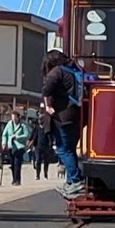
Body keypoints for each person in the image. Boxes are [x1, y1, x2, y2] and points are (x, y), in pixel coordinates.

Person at [41, 50, 85, 199]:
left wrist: (48, 106)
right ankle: (70, 183)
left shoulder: (57, 72)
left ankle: (75, 180)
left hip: (63, 116)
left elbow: (46, 90)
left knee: (63, 149)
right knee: (71, 148)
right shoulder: (75, 69)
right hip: (78, 114)